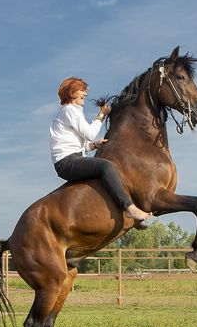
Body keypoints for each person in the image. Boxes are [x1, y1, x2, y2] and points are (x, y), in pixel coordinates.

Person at [50, 77, 153, 226]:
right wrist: (101, 115)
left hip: (71, 158)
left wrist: (93, 146)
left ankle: (128, 214)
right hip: (66, 162)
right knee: (106, 166)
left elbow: (81, 144)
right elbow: (90, 133)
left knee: (107, 174)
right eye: (82, 90)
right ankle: (129, 208)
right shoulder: (69, 110)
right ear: (72, 92)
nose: (85, 93)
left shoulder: (71, 112)